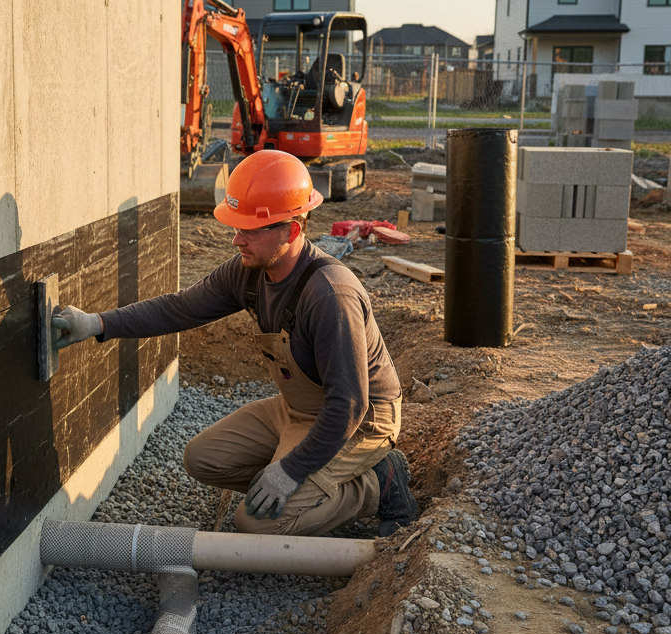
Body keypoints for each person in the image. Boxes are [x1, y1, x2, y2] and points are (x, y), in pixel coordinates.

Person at [52, 149, 416, 538]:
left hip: (359, 422)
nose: (235, 239)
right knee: (202, 459)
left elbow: (349, 405)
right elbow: (180, 308)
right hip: (297, 411)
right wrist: (97, 323)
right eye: (235, 225)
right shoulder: (249, 272)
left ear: (291, 231)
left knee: (259, 524)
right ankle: (306, 487)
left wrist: (289, 471)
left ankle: (379, 483)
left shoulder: (330, 297)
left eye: (248, 230)